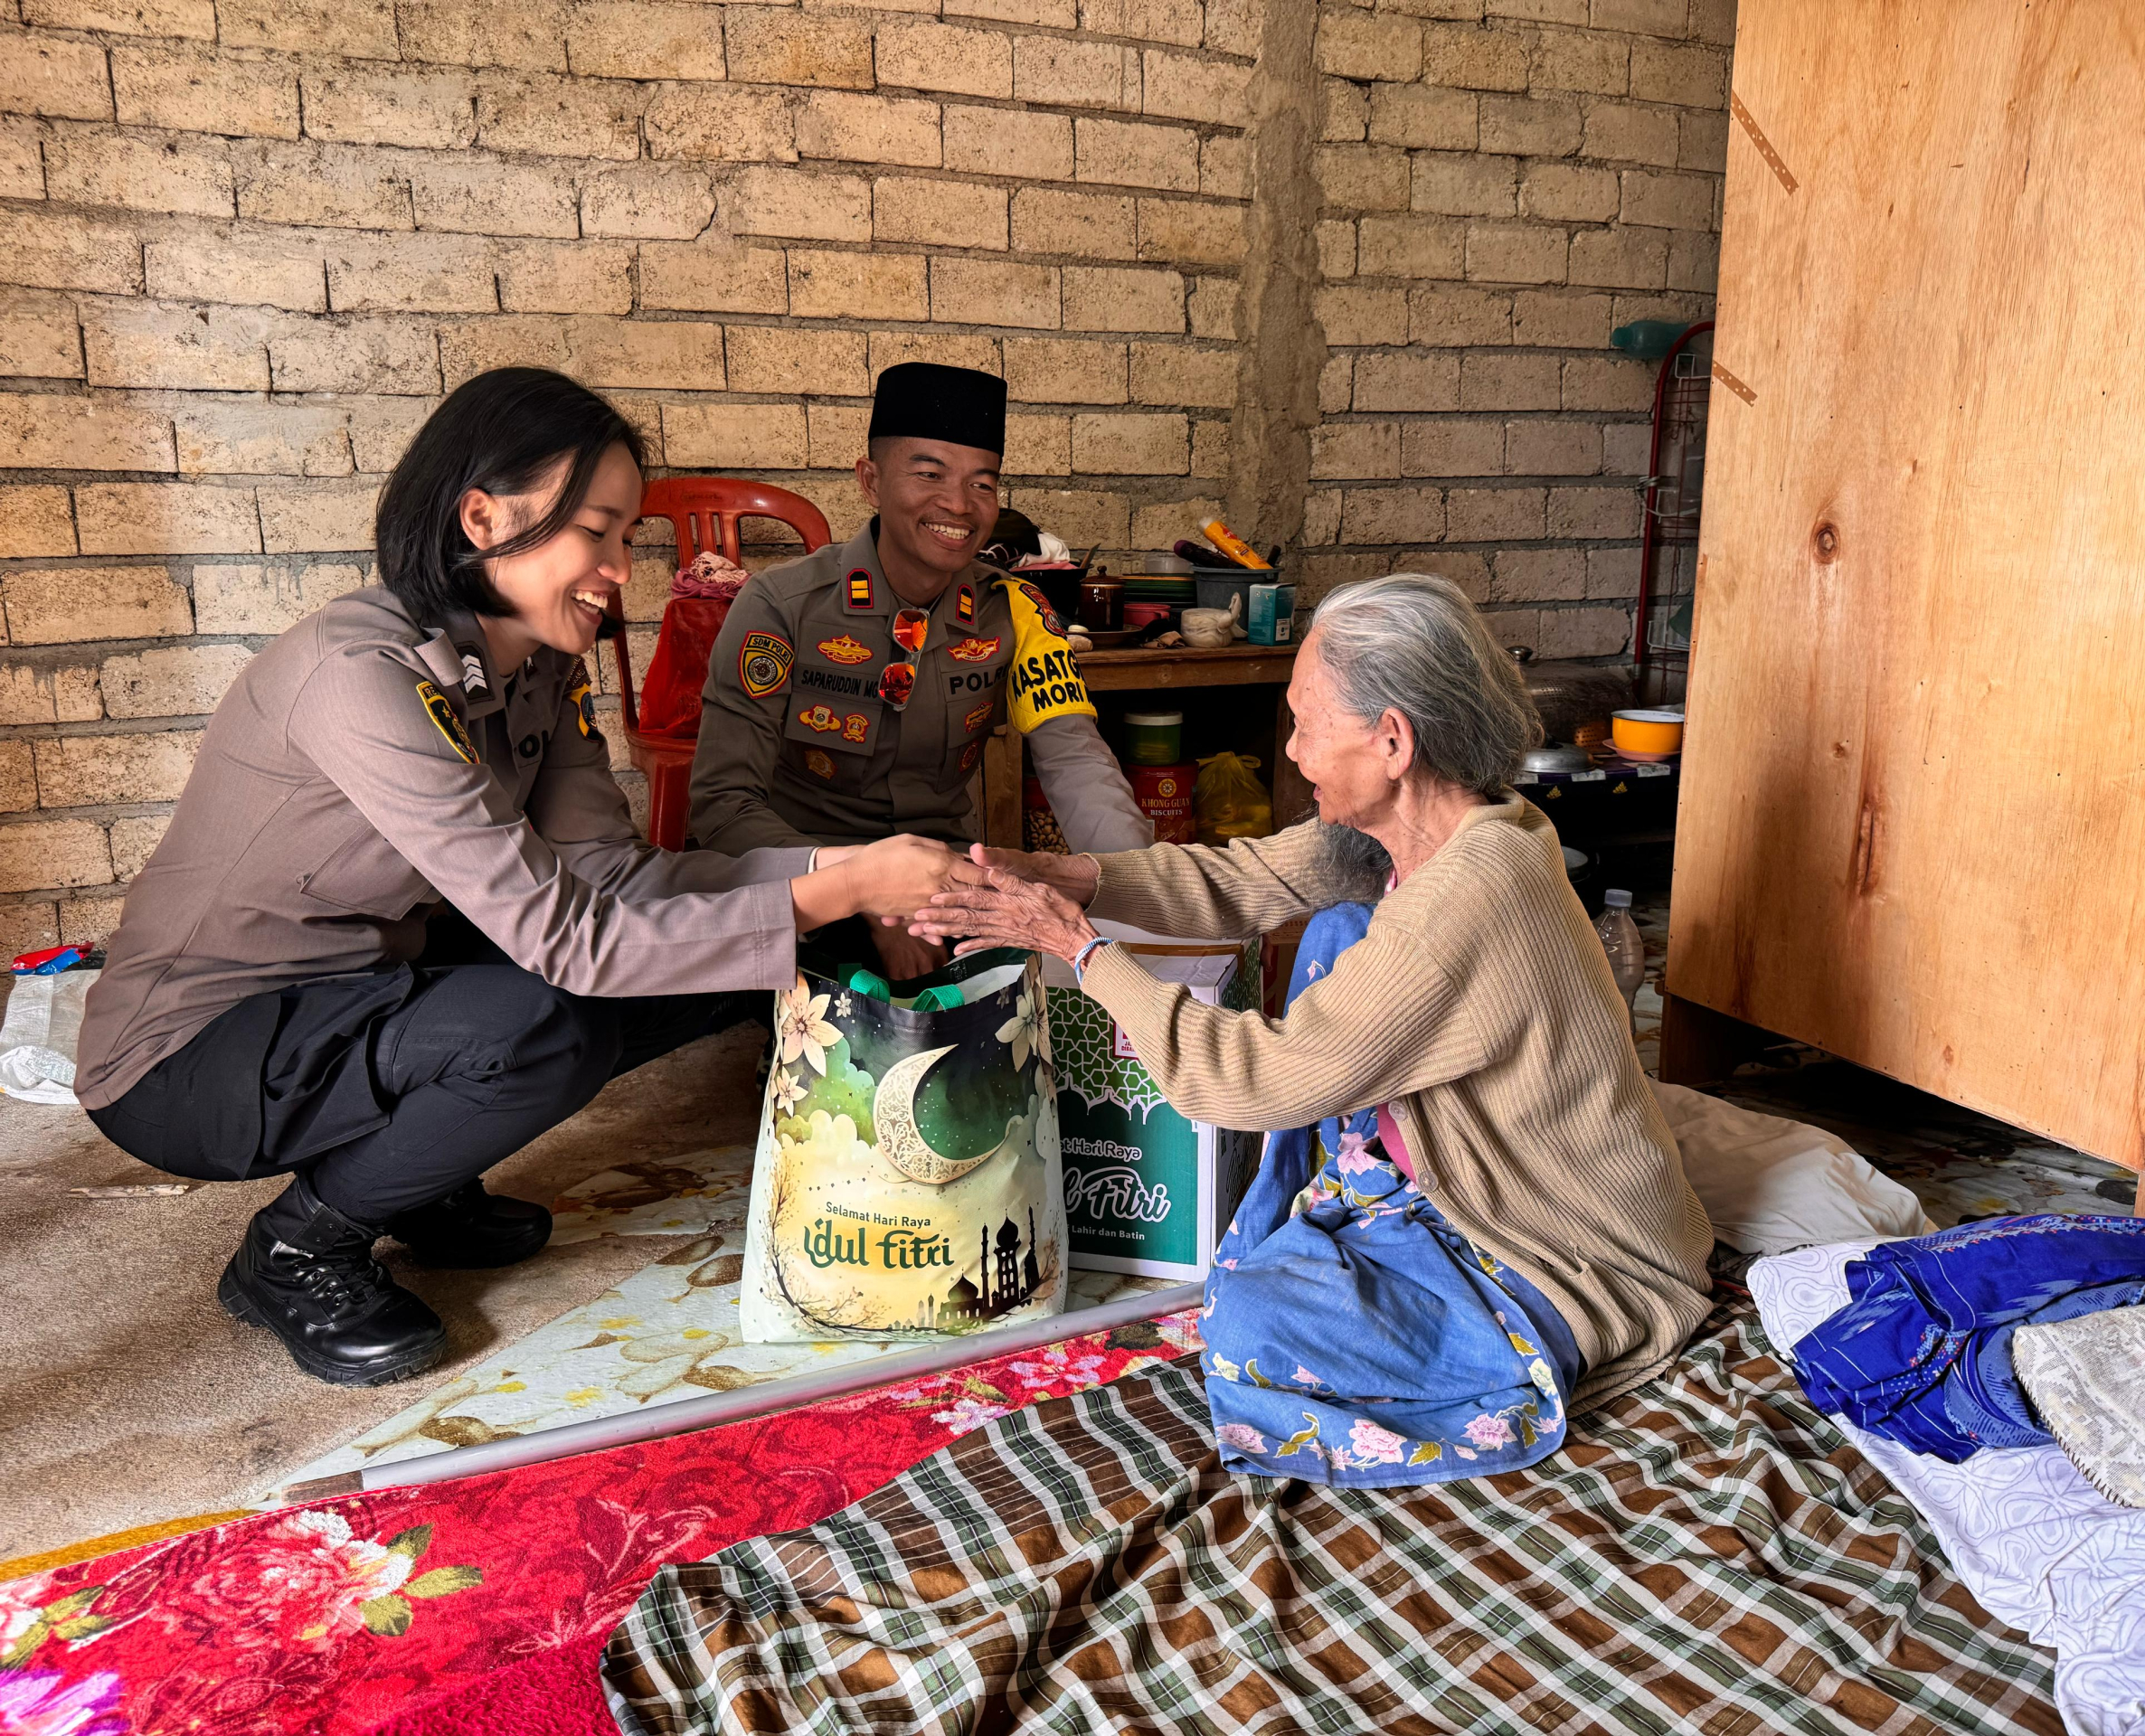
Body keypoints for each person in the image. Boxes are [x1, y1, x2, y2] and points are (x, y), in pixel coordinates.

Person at [75, 368, 955, 1389]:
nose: (624, 570)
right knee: (550, 1017)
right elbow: (570, 944)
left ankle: (417, 1175)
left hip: (358, 982)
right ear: (483, 515)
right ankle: (298, 1246)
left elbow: (615, 884)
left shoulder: (541, 667)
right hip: (194, 1052)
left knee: (723, 954)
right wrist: (844, 889)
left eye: (629, 538)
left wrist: (846, 872)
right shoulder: (361, 678)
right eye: (598, 532)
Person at [912, 573, 1715, 1487]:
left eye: (1303, 724)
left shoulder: (1465, 900)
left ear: (1392, 741)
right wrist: (1062, 874)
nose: (1291, 751)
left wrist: (1079, 950)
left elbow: (1249, 1086)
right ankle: (1361, 1218)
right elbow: (1239, 882)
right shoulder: (1433, 822)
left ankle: (1485, 1340)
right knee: (1336, 931)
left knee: (1253, 1326)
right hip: (1451, 1174)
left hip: (1563, 1250)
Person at [686, 362, 1150, 986]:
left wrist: (1142, 899)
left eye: (982, 485)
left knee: (1037, 1000)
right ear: (871, 480)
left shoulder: (1014, 612)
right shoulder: (782, 608)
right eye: (929, 474)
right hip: (803, 879)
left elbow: (1076, 762)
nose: (958, 505)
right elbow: (721, 809)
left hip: (948, 884)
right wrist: (866, 891)